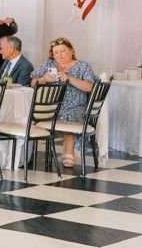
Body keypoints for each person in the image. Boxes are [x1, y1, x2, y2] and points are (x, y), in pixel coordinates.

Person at [32, 37, 97, 169]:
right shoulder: (49, 65)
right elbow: (33, 82)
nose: (59, 54)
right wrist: (44, 79)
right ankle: (29, 153)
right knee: (32, 114)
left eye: (63, 51)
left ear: (71, 51)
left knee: (69, 114)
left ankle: (68, 150)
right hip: (51, 106)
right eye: (56, 52)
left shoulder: (82, 66)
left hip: (76, 106)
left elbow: (90, 87)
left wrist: (69, 78)